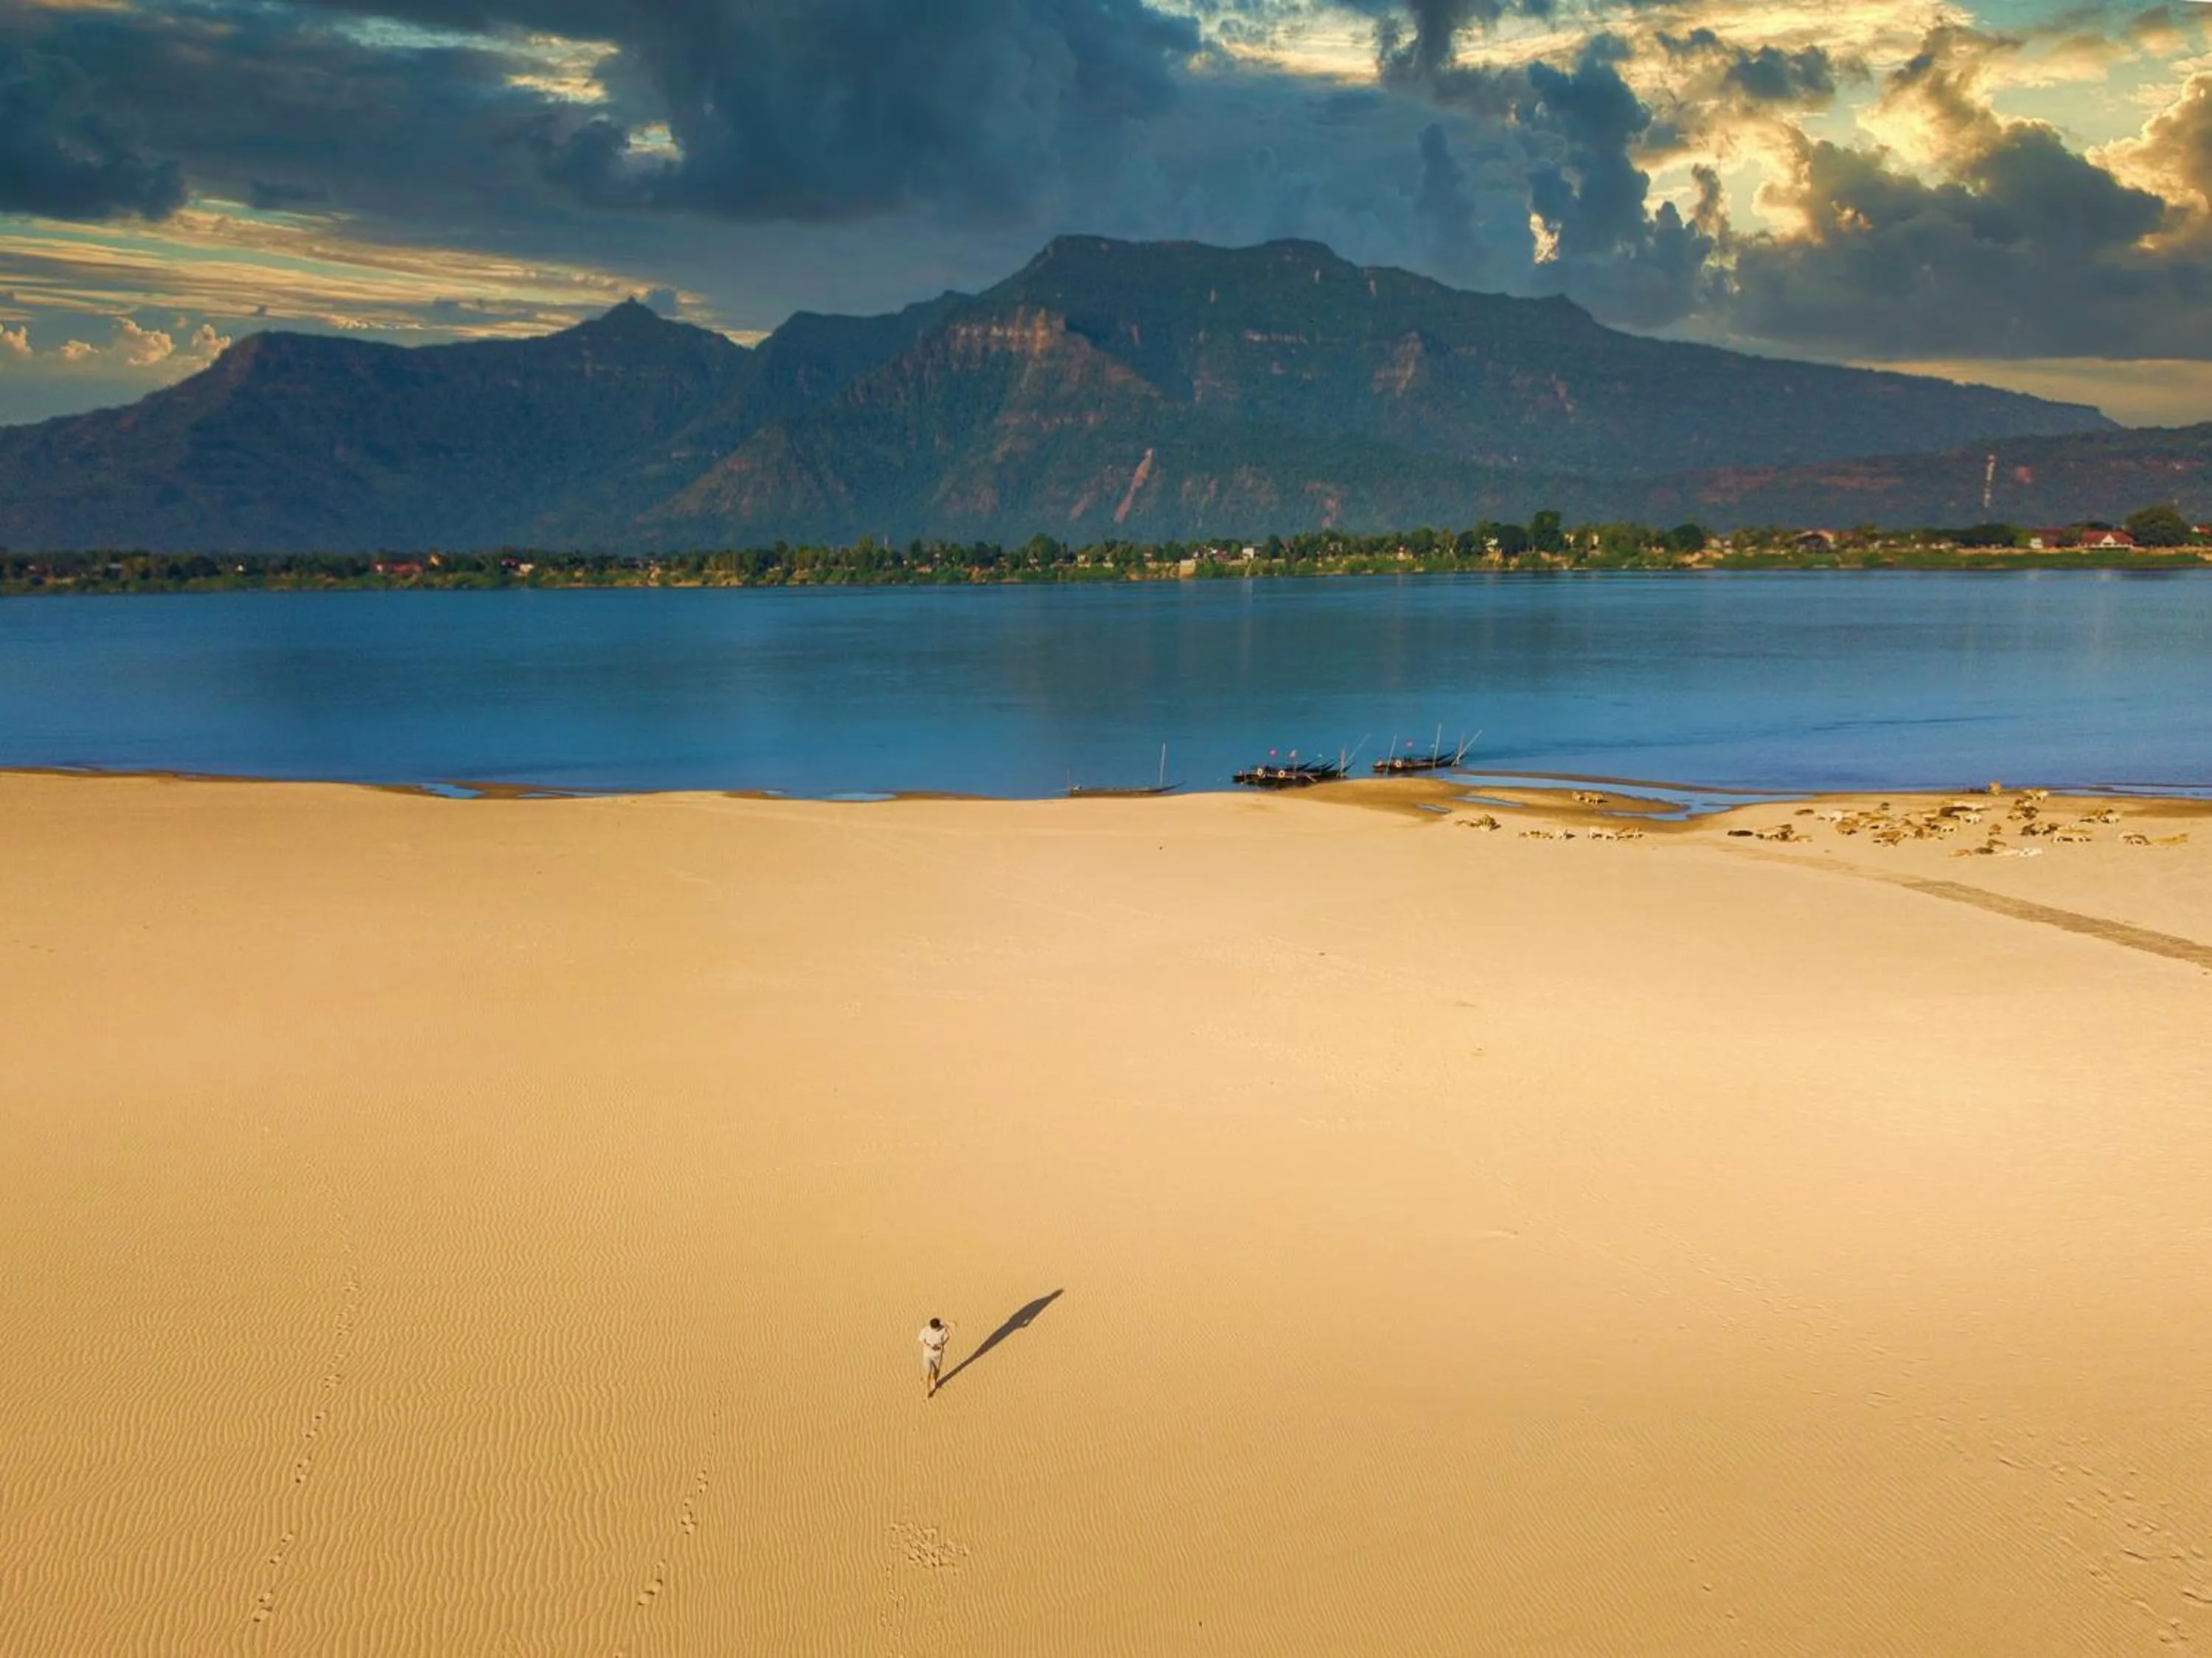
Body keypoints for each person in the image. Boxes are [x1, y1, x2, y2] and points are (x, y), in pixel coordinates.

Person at [919, 1317, 953, 1398]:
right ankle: (927, 1390)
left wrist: (942, 1344)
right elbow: (921, 1340)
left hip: (938, 1355)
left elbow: (947, 1337)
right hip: (927, 1355)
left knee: (937, 1370)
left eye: (936, 1329)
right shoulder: (925, 1330)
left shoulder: (943, 1330)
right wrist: (929, 1346)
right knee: (928, 1373)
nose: (934, 1330)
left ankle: (934, 1380)